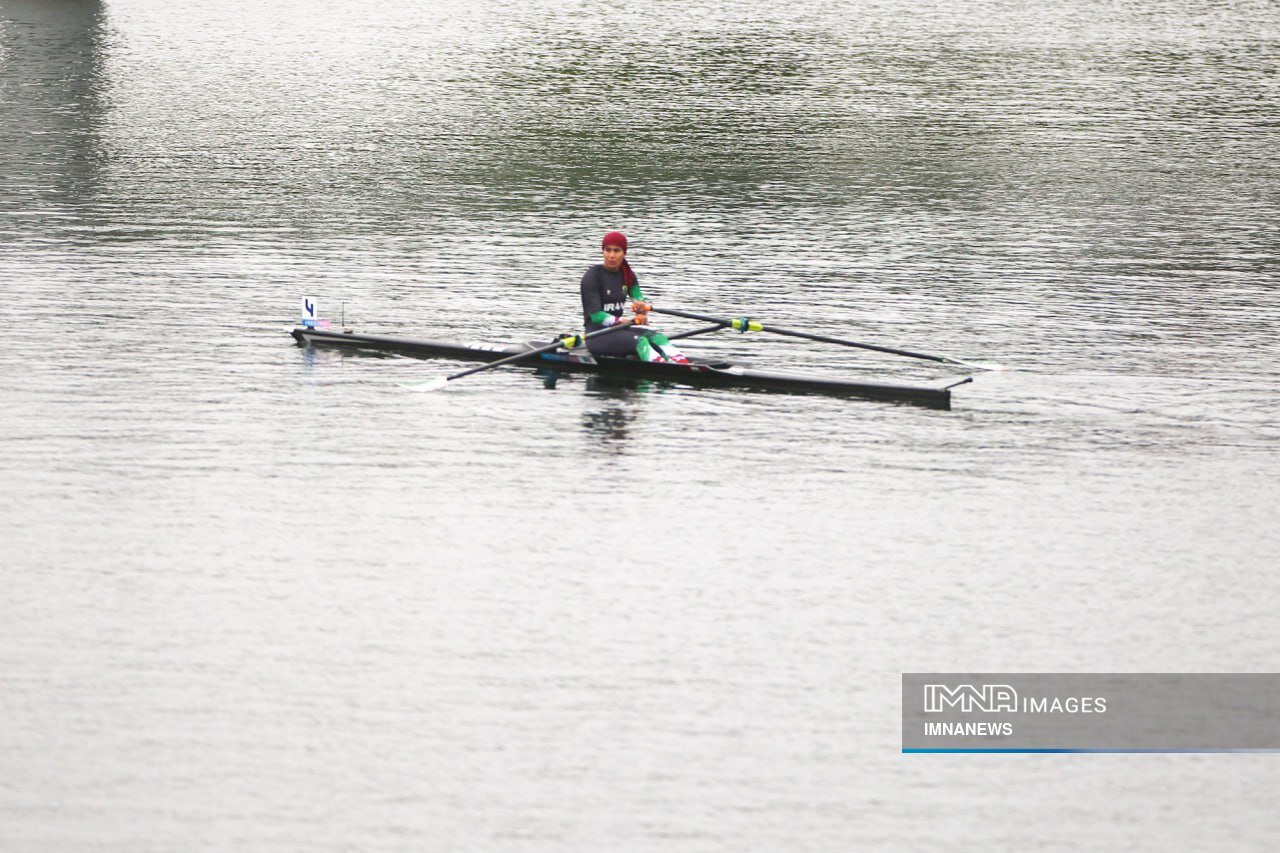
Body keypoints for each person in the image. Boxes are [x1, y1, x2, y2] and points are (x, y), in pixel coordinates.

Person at [579, 231, 688, 363]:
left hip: (618, 330)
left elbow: (639, 301)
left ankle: (684, 364)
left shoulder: (628, 275)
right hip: (596, 335)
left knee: (659, 337)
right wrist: (624, 321)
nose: (611, 255)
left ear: (624, 253)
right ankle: (665, 367)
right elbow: (596, 316)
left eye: (616, 251)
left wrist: (641, 310)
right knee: (641, 341)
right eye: (608, 250)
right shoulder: (592, 277)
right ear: (603, 251)